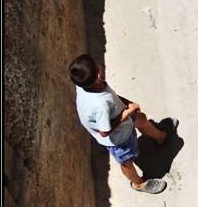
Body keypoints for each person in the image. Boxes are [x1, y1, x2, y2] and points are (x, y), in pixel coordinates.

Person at [69, 54, 176, 195]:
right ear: (97, 74)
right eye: (96, 62)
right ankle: (139, 183)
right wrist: (126, 113)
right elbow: (104, 131)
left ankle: (160, 136)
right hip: (118, 137)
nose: (97, 61)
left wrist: (128, 104)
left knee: (142, 119)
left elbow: (110, 95)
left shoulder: (87, 85)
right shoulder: (99, 105)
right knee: (126, 161)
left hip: (120, 114)